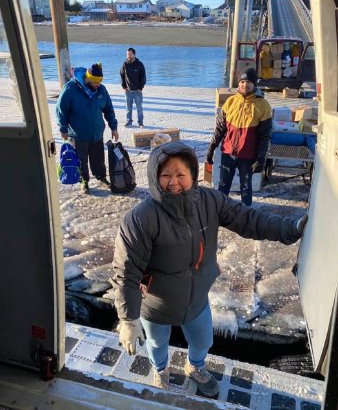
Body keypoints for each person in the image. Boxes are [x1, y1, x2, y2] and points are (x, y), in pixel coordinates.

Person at [112, 141, 307, 396]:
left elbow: (249, 219)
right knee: (158, 344)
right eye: (166, 175)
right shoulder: (140, 219)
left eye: (181, 174)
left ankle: (196, 367)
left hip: (197, 301)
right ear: (154, 177)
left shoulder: (210, 202)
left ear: (193, 174)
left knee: (204, 341)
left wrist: (290, 228)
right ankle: (160, 371)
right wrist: (127, 318)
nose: (174, 182)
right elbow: (126, 272)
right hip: (157, 306)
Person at [206, 67, 272, 206]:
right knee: (223, 186)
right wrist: (211, 147)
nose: (245, 85)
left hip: (248, 156)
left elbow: (264, 136)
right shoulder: (230, 102)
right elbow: (220, 129)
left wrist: (260, 158)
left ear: (254, 84)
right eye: (242, 81)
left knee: (246, 188)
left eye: (249, 82)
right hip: (228, 153)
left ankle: (246, 214)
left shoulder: (263, 106)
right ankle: (220, 211)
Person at [56, 62, 119, 194]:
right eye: (95, 82)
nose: (98, 85)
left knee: (98, 159)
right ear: (87, 78)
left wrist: (113, 127)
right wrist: (63, 129)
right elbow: (61, 110)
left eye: (100, 82)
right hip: (78, 134)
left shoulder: (101, 90)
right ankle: (84, 180)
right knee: (81, 160)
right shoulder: (70, 88)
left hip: (96, 132)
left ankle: (101, 176)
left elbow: (109, 109)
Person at [120, 47, 146, 128]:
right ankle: (129, 121)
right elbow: (122, 75)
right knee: (128, 108)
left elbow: (143, 77)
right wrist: (124, 86)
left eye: (130, 54)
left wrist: (140, 88)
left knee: (139, 108)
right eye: (127, 54)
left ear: (134, 54)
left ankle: (140, 122)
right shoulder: (125, 64)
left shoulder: (140, 64)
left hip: (138, 91)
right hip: (128, 91)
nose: (129, 56)